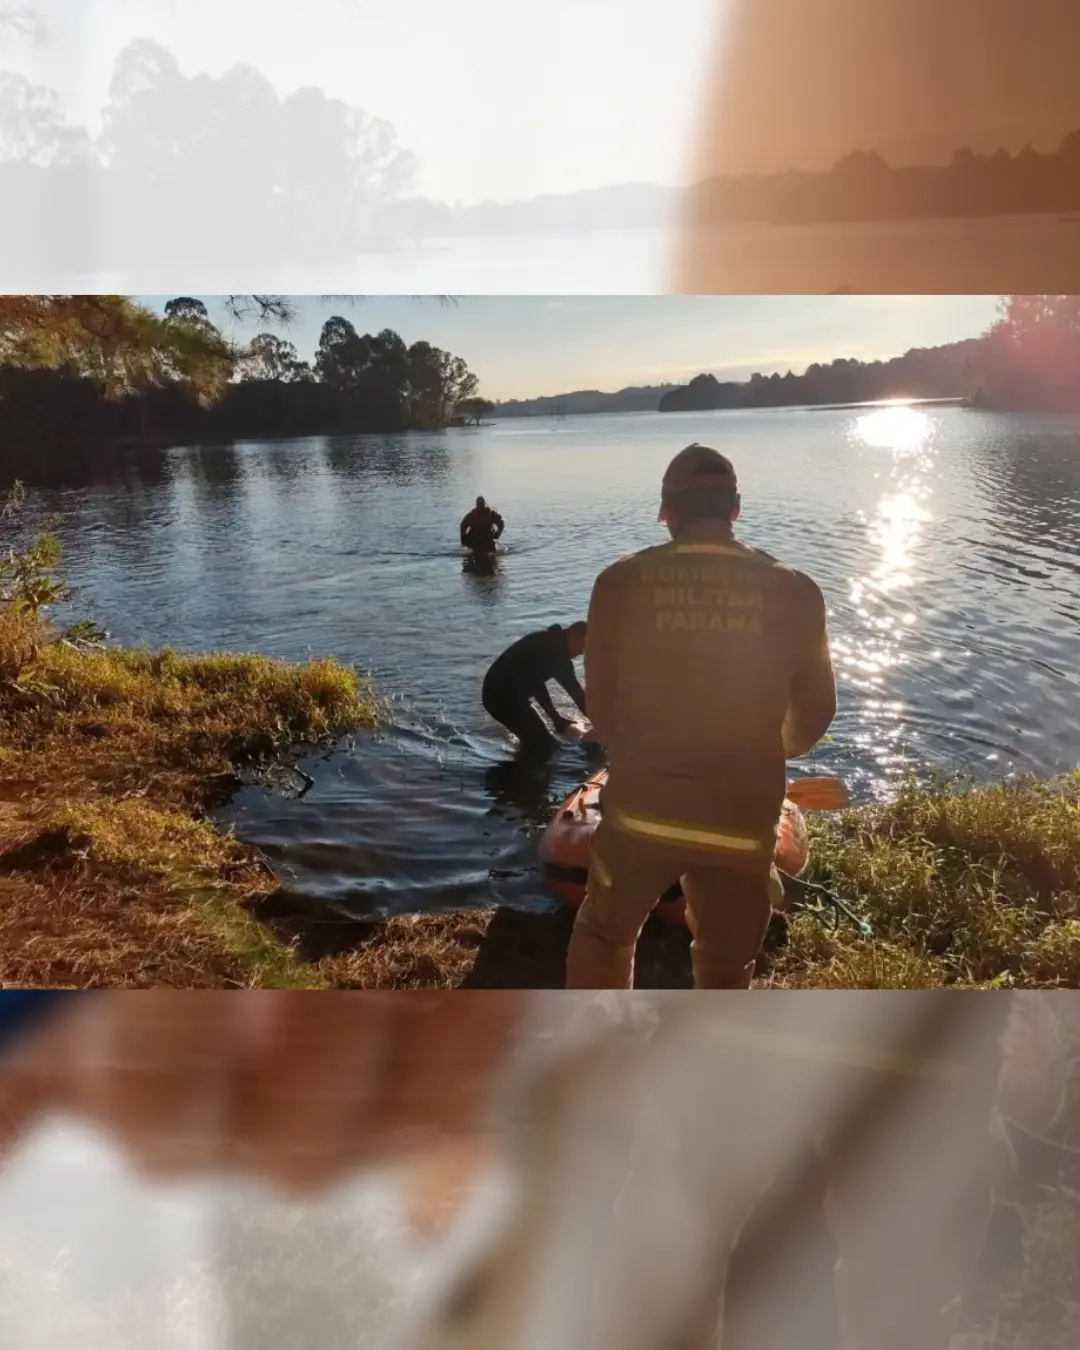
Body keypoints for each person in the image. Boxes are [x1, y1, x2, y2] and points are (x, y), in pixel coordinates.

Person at [567, 443, 837, 990]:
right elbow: (814, 714)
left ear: (667, 510)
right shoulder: (796, 588)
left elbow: (603, 706)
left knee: (604, 935)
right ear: (735, 508)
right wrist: (762, 750)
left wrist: (645, 755)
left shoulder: (619, 582)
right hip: (741, 820)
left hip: (642, 814)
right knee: (725, 960)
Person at [482, 621, 588, 757]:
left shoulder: (549, 640)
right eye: (581, 649)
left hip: (507, 694)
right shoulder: (555, 653)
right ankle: (524, 772)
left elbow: (536, 683)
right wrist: (604, 725)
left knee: (541, 741)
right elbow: (577, 694)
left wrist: (555, 717)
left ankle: (527, 761)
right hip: (500, 698)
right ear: (572, 635)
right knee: (544, 745)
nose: (579, 655)